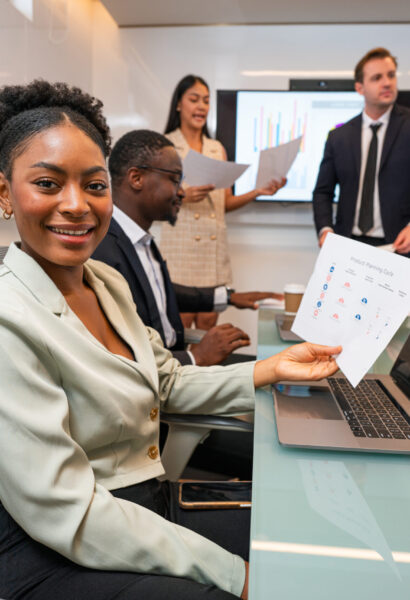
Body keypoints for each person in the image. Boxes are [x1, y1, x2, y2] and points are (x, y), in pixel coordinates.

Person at [0, 79, 341, 600]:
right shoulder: (9, 317)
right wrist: (232, 574)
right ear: (5, 193)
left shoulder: (105, 281)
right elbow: (69, 510)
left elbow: (166, 378)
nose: (77, 205)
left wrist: (270, 369)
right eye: (48, 183)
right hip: (57, 543)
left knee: (299, 541)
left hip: (142, 505)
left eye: (94, 185)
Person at [93, 129, 284, 366]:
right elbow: (117, 358)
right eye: (174, 179)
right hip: (160, 381)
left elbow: (157, 293)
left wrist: (228, 297)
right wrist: (196, 357)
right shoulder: (101, 252)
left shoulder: (138, 238)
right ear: (136, 178)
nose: (182, 191)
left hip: (176, 364)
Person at [161, 75, 287, 330]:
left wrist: (258, 191)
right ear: (178, 105)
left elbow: (224, 203)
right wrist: (181, 196)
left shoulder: (216, 147)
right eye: (194, 99)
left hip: (212, 251)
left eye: (206, 101)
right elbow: (151, 198)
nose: (201, 107)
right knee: (180, 327)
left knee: (209, 327)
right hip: (180, 249)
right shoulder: (165, 146)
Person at [313, 47, 410, 255]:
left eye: (391, 75)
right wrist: (325, 230)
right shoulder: (339, 137)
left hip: (399, 247)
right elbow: (322, 192)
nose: (387, 83)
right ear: (360, 88)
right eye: (377, 78)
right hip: (348, 245)